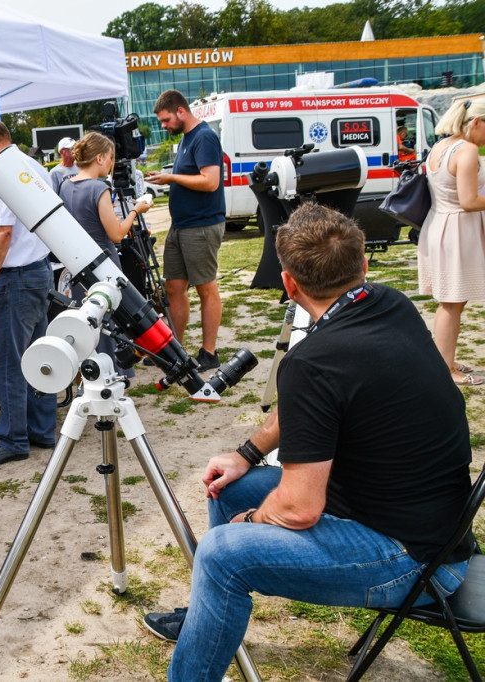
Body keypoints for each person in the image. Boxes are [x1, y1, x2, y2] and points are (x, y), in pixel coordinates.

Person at [142, 202, 475, 682]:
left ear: (289, 284)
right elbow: (309, 407)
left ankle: (201, 642)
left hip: (417, 561)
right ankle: (209, 619)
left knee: (221, 554)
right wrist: (245, 455)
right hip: (425, 523)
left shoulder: (313, 363)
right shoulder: (388, 303)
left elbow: (299, 509)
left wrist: (254, 522)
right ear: (363, 266)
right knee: (229, 487)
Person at [0, 119, 57, 466]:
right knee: (39, 357)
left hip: (16, 276)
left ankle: (13, 440)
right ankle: (40, 429)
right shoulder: (33, 165)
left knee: (7, 363)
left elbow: (1, 232)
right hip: (37, 270)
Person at [145, 89, 225, 371]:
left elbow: (210, 181)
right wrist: (167, 179)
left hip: (201, 225)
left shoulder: (204, 137)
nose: (164, 126)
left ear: (181, 111)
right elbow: (191, 177)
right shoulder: (187, 140)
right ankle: (173, 350)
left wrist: (170, 177)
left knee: (206, 288)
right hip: (181, 226)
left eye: (166, 120)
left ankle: (209, 353)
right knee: (174, 288)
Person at [59, 131, 152, 366]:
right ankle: (112, 368)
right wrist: (135, 211)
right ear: (100, 158)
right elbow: (117, 234)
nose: (112, 164)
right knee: (110, 318)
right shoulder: (99, 189)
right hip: (104, 264)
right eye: (110, 158)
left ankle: (90, 368)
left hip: (79, 264)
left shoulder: (65, 186)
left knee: (88, 321)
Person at [417, 98, 485, 386]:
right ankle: (445, 368)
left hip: (440, 225)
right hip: (457, 229)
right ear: (476, 122)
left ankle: (445, 359)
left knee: (451, 301)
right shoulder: (467, 150)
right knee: (452, 303)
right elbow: (469, 201)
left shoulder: (441, 146)